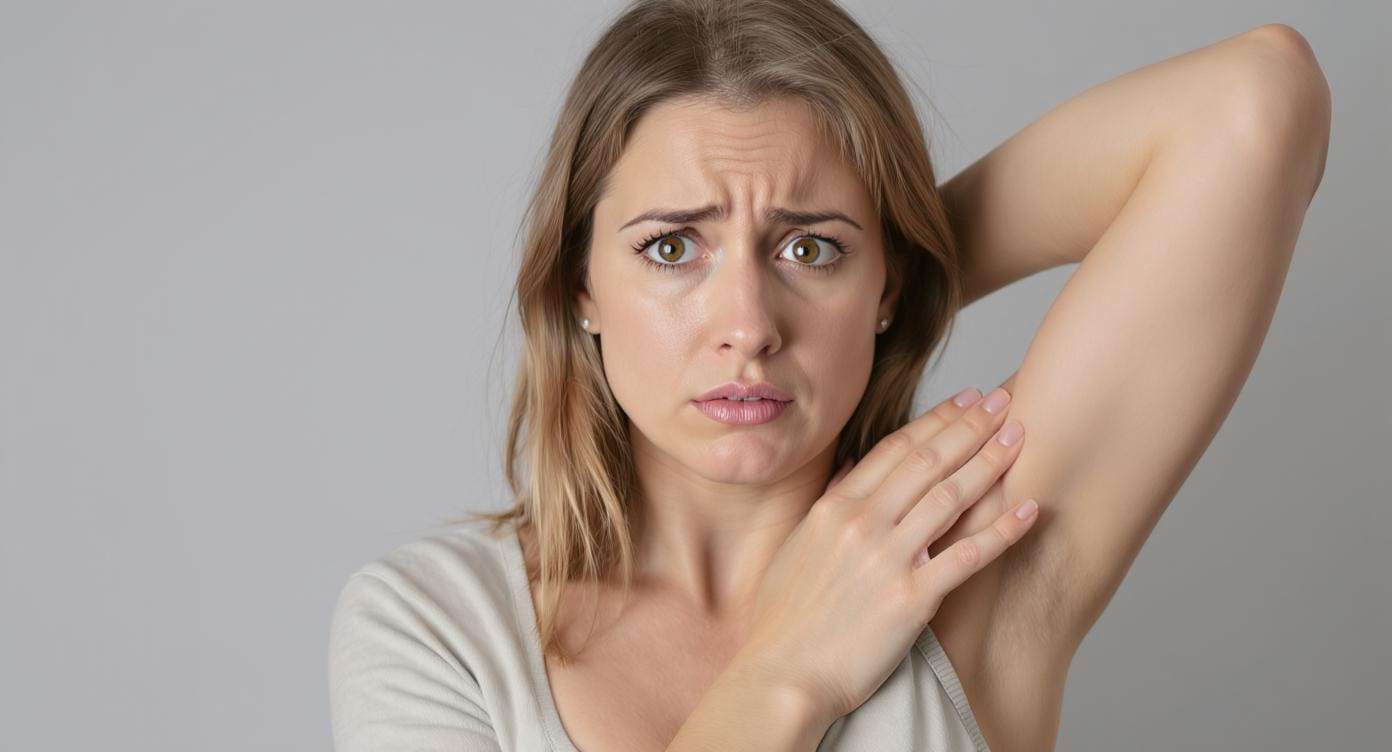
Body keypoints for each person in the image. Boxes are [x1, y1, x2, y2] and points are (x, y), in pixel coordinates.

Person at [328, 1, 1331, 750]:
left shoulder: (966, 564)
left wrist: (909, 274)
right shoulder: (436, 622)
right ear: (577, 285)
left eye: (809, 253)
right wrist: (786, 672)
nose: (748, 327)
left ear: (883, 281)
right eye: (673, 247)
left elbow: (1256, 100)